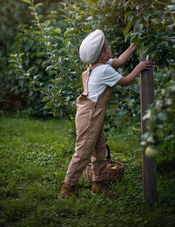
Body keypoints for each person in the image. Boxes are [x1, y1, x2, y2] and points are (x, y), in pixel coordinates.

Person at [59, 29, 151, 199]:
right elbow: (125, 82)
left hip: (92, 113)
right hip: (90, 116)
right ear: (102, 55)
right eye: (107, 47)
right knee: (83, 152)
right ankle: (67, 188)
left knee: (99, 149)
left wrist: (133, 46)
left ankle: (98, 183)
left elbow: (121, 60)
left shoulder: (98, 65)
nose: (110, 49)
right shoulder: (103, 71)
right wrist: (139, 68)